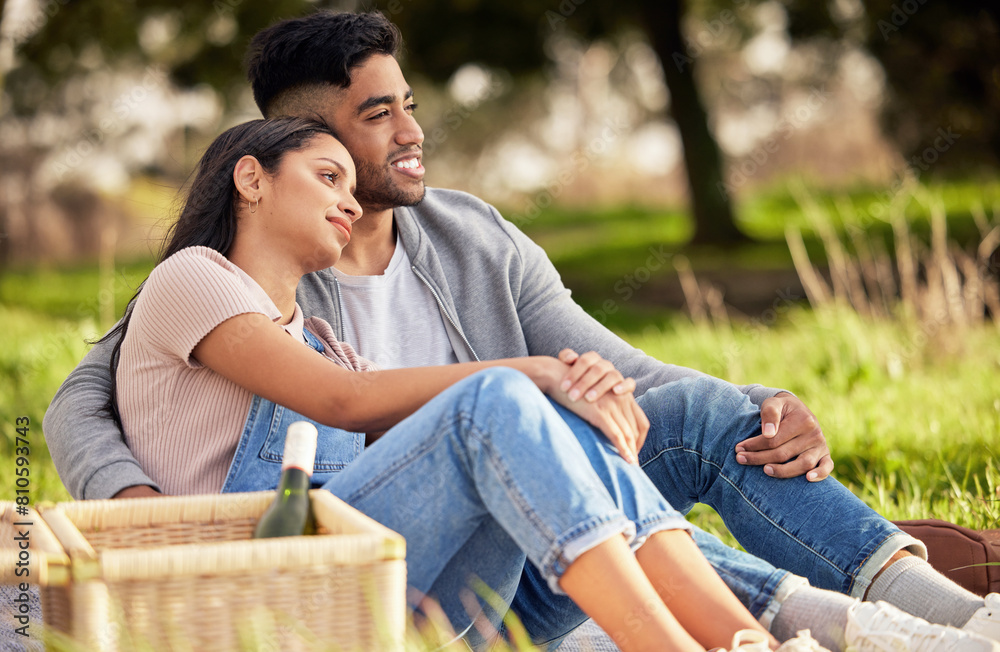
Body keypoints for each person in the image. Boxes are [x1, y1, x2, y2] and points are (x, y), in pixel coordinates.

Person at [43, 9, 1000, 651]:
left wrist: (757, 405)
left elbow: (608, 363)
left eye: (409, 105)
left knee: (697, 416)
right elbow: (90, 389)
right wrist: (132, 502)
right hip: (372, 534)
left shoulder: (470, 232)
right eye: (376, 118)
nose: (410, 133)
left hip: (488, 508)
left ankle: (935, 623)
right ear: (284, 146)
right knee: (523, 420)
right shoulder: (256, 271)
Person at [107, 114, 789, 652]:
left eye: (351, 186)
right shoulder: (194, 278)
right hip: (239, 609)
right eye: (327, 177)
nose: (349, 203)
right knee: (498, 400)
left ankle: (745, 642)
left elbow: (403, 417)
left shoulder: (322, 342)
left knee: (556, 423)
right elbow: (340, 402)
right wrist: (538, 370)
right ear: (251, 179)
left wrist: (571, 398)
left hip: (375, 603)